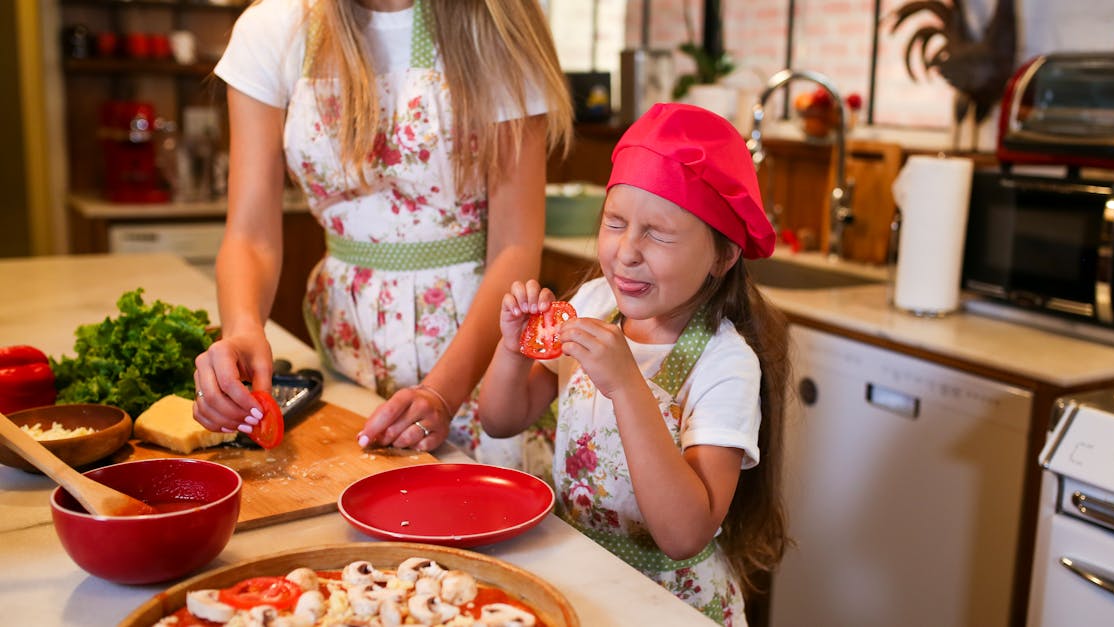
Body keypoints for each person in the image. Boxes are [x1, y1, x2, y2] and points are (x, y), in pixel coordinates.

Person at [190, 0, 573, 468]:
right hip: (345, 347)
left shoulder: (494, 22)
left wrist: (441, 392)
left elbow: (515, 247)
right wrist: (244, 328)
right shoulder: (275, 28)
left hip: (477, 359)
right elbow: (250, 234)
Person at [477, 102, 791, 626]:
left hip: (668, 604)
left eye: (658, 233)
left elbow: (684, 534)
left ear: (723, 255)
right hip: (581, 577)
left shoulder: (724, 366)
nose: (626, 252)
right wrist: (512, 348)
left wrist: (626, 386)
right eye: (615, 222)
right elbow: (502, 418)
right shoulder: (597, 303)